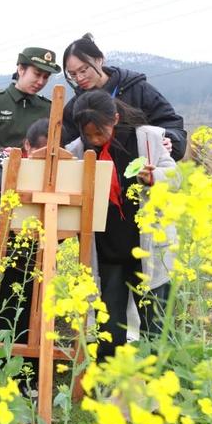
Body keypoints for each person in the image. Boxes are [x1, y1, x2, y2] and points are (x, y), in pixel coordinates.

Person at [65, 90, 177, 360]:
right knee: (109, 326)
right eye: (87, 134)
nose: (93, 139)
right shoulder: (76, 152)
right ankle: (106, 385)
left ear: (115, 118)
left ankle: (159, 384)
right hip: (107, 253)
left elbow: (175, 177)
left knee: (156, 324)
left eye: (99, 132)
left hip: (149, 248)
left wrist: (154, 177)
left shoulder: (147, 138)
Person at [0, 118, 49, 386]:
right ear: (27, 146)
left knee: (28, 314)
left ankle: (26, 376)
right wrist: (8, 205)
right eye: (39, 154)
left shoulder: (60, 179)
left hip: (33, 257)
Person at [61, 33, 187, 161]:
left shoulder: (137, 89)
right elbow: (65, 142)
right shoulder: (76, 105)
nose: (79, 78)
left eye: (83, 70)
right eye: (73, 74)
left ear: (99, 59)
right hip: (97, 177)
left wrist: (170, 139)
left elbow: (170, 122)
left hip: (139, 174)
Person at [0, 47, 60, 165]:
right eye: (37, 74)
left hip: (36, 177)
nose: (40, 82)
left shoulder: (48, 108)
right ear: (21, 69)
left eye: (45, 77)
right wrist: (1, 153)